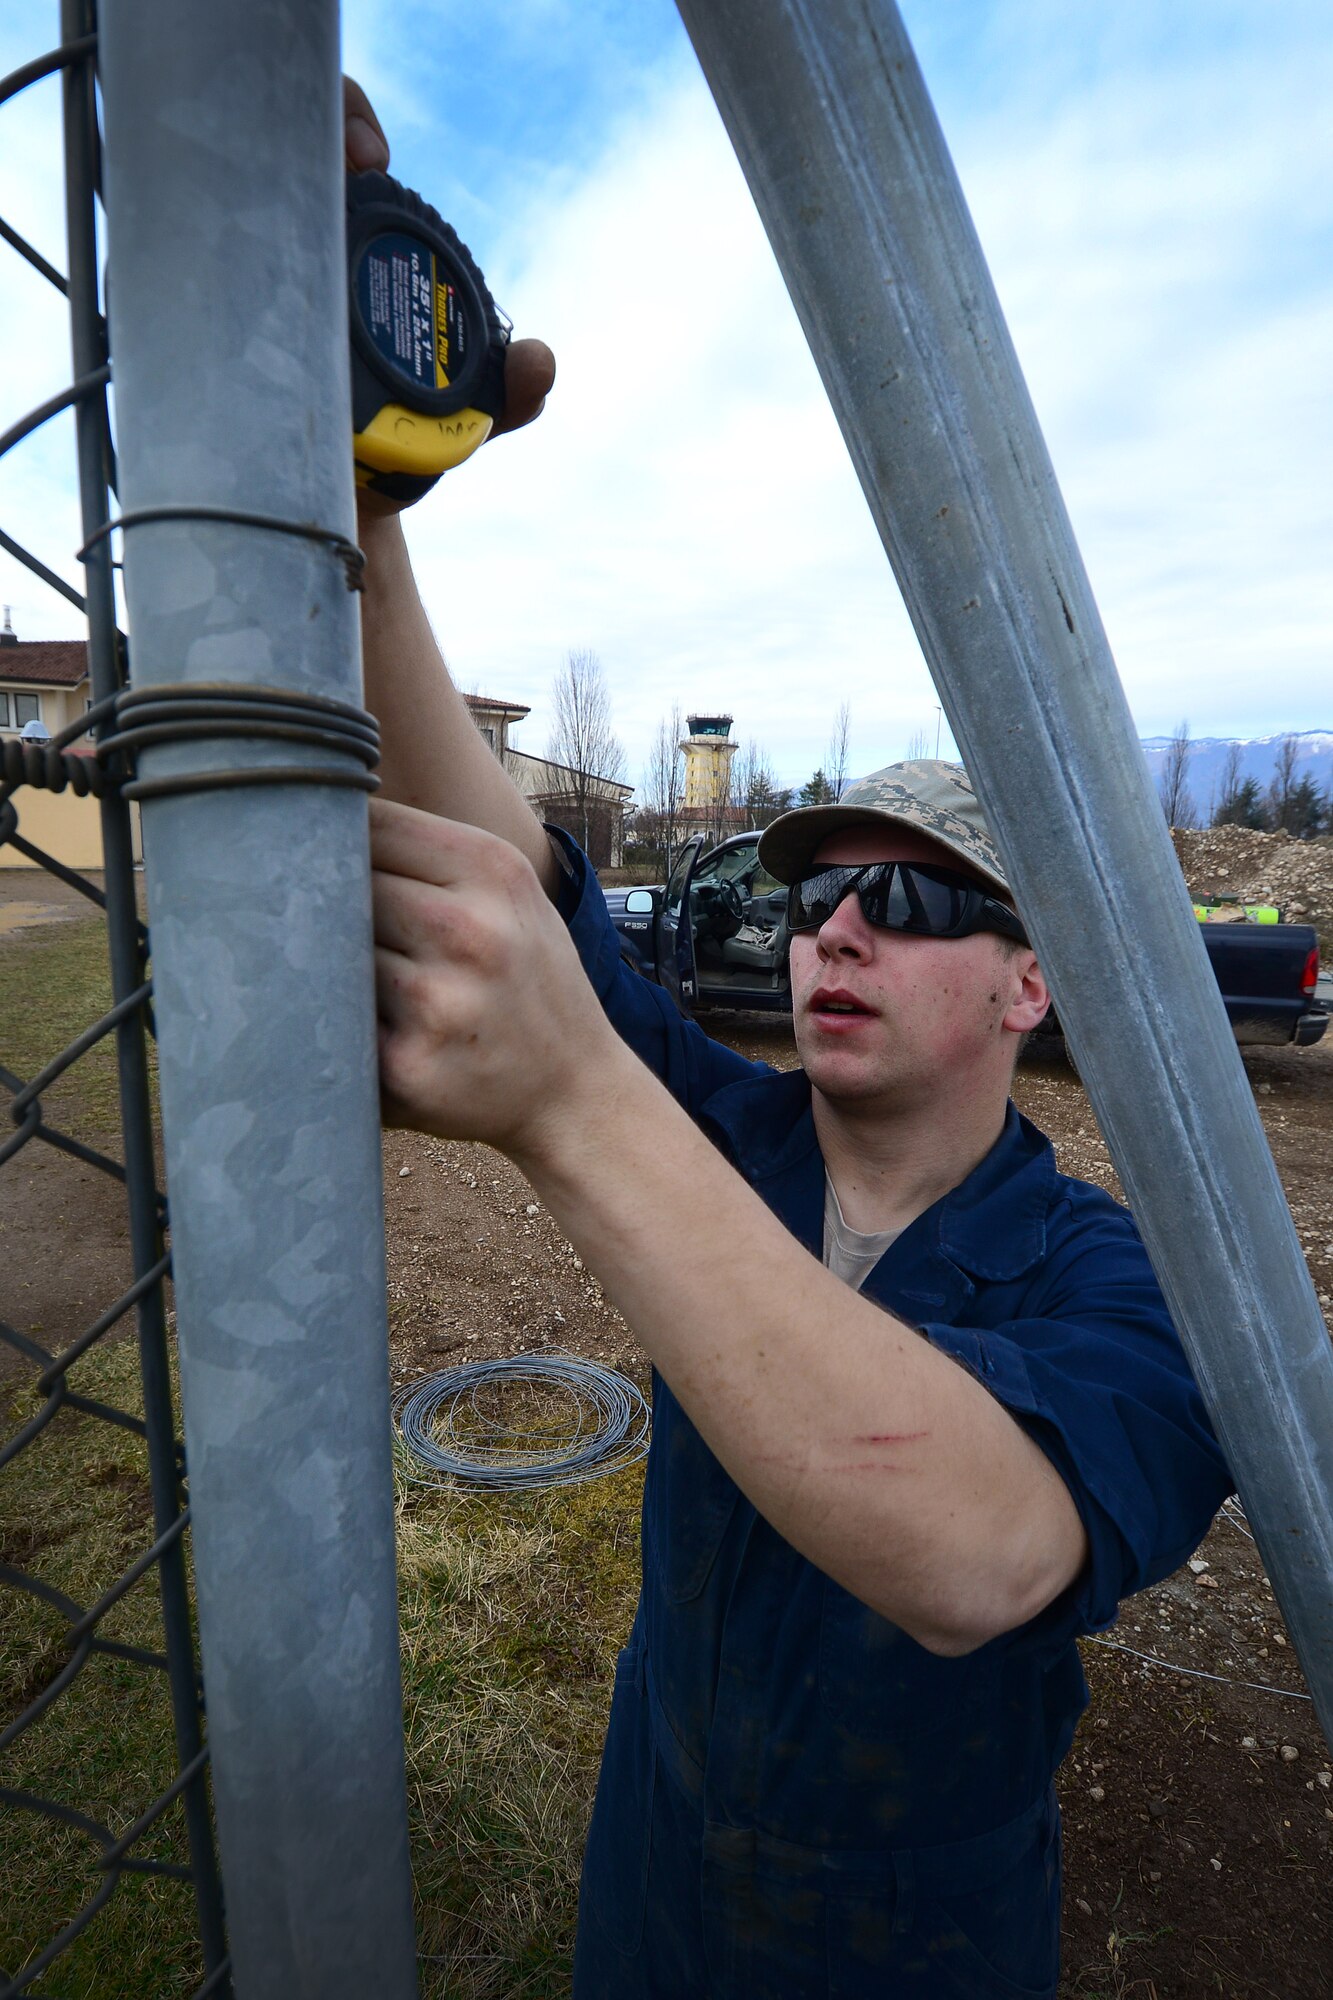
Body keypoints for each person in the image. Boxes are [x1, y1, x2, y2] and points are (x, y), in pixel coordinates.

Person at [346, 82, 1232, 2000]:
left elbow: (982, 1552)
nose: (839, 925)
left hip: (903, 1944)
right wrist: (363, 516)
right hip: (651, 1866)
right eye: (824, 892)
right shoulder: (735, 1129)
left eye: (911, 902)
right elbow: (511, 858)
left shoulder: (1125, 1283)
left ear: (1027, 985)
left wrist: (571, 1097)